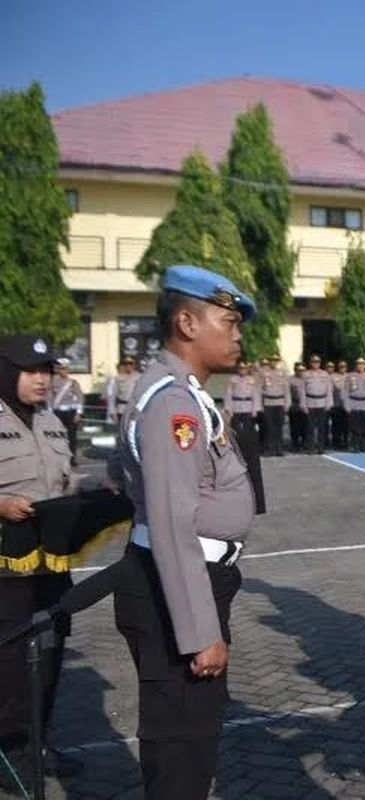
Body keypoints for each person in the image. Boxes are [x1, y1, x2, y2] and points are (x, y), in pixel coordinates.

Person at [109, 265, 256, 799]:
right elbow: (173, 524)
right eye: (228, 321)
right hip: (178, 587)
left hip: (183, 579)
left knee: (191, 738)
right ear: (188, 324)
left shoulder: (180, 393)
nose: (238, 334)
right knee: (182, 748)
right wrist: (199, 633)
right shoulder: (174, 404)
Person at [0, 335, 105, 784]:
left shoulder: (50, 421)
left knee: (48, 654)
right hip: (6, 571)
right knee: (9, 666)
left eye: (47, 370)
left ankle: (38, 742)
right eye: (31, 371)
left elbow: (60, 483)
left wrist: (91, 488)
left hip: (51, 565)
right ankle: (10, 752)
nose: (43, 379)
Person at [50, 359, 85, 465]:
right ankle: (57, 458)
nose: (64, 371)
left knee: (72, 437)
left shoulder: (73, 383)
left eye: (66, 369)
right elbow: (49, 398)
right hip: (57, 412)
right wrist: (49, 413)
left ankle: (72, 459)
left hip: (70, 413)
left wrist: (79, 413)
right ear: (58, 370)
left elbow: (79, 398)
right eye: (61, 369)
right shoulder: (52, 382)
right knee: (56, 436)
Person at [259, 355, 290, 457]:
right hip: (268, 402)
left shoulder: (283, 373)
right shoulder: (264, 373)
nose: (274, 363)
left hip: (280, 402)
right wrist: (260, 405)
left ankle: (279, 449)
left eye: (276, 361)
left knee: (279, 427)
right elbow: (259, 389)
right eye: (272, 360)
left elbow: (286, 390)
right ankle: (270, 449)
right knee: (269, 428)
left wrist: (287, 403)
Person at [301, 355, 333, 454]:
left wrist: (329, 403)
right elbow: (302, 391)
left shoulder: (325, 374)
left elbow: (329, 390)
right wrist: (303, 404)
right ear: (311, 363)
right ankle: (310, 447)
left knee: (322, 427)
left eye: (317, 362)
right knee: (310, 427)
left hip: (322, 402)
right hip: (310, 402)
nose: (316, 364)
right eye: (314, 362)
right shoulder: (305, 374)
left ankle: (321, 447)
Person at [223, 360, 261, 443]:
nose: (242, 370)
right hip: (236, 407)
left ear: (247, 369)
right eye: (240, 368)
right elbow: (228, 395)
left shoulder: (252, 379)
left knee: (248, 429)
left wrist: (255, 410)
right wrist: (228, 409)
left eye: (244, 368)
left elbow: (255, 395)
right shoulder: (232, 379)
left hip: (248, 407)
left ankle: (247, 446)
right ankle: (237, 445)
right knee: (236, 429)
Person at [345, 358, 365, 453]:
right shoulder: (350, 376)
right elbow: (345, 392)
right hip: (354, 404)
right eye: (359, 364)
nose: (361, 366)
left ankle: (363, 445)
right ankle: (355, 445)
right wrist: (347, 405)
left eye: (362, 364)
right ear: (356, 365)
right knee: (355, 427)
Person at [106, 356, 140, 425]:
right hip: (122, 409)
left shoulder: (140, 377)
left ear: (134, 365)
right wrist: (112, 411)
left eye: (130, 364)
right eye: (126, 364)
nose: (128, 366)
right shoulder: (117, 378)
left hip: (136, 409)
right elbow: (112, 396)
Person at [288, 362, 307, 453]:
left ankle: (304, 444)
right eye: (299, 370)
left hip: (306, 405)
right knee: (294, 427)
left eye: (302, 370)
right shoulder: (290, 380)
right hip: (294, 405)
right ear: (295, 370)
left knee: (304, 427)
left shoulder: (307, 379)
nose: (301, 372)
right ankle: (295, 445)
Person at [330, 361, 349, 450]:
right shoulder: (333, 377)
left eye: (344, 366)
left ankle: (346, 441)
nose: (342, 368)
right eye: (341, 366)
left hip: (347, 405)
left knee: (346, 425)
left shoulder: (349, 377)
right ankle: (336, 442)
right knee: (336, 425)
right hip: (336, 404)